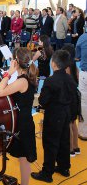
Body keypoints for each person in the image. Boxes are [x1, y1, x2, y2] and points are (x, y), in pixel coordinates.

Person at [31, 50, 78, 182]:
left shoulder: (51, 81)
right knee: (64, 140)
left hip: (54, 115)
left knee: (50, 143)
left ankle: (47, 173)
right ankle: (64, 167)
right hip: (66, 113)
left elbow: (43, 101)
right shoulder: (70, 79)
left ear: (53, 64)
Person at [0, 48, 38, 185]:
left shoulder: (22, 81)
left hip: (22, 124)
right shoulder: (26, 77)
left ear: (16, 62)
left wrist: (9, 72)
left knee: (23, 158)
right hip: (23, 121)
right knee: (22, 158)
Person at [62, 44, 81, 157]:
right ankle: (76, 146)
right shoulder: (75, 65)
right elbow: (77, 78)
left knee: (68, 123)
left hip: (68, 97)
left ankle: (70, 149)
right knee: (73, 122)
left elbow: (66, 81)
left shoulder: (66, 67)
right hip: (75, 96)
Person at [76, 29, 87, 139]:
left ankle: (83, 132)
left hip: (85, 73)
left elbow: (77, 55)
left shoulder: (83, 37)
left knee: (84, 102)